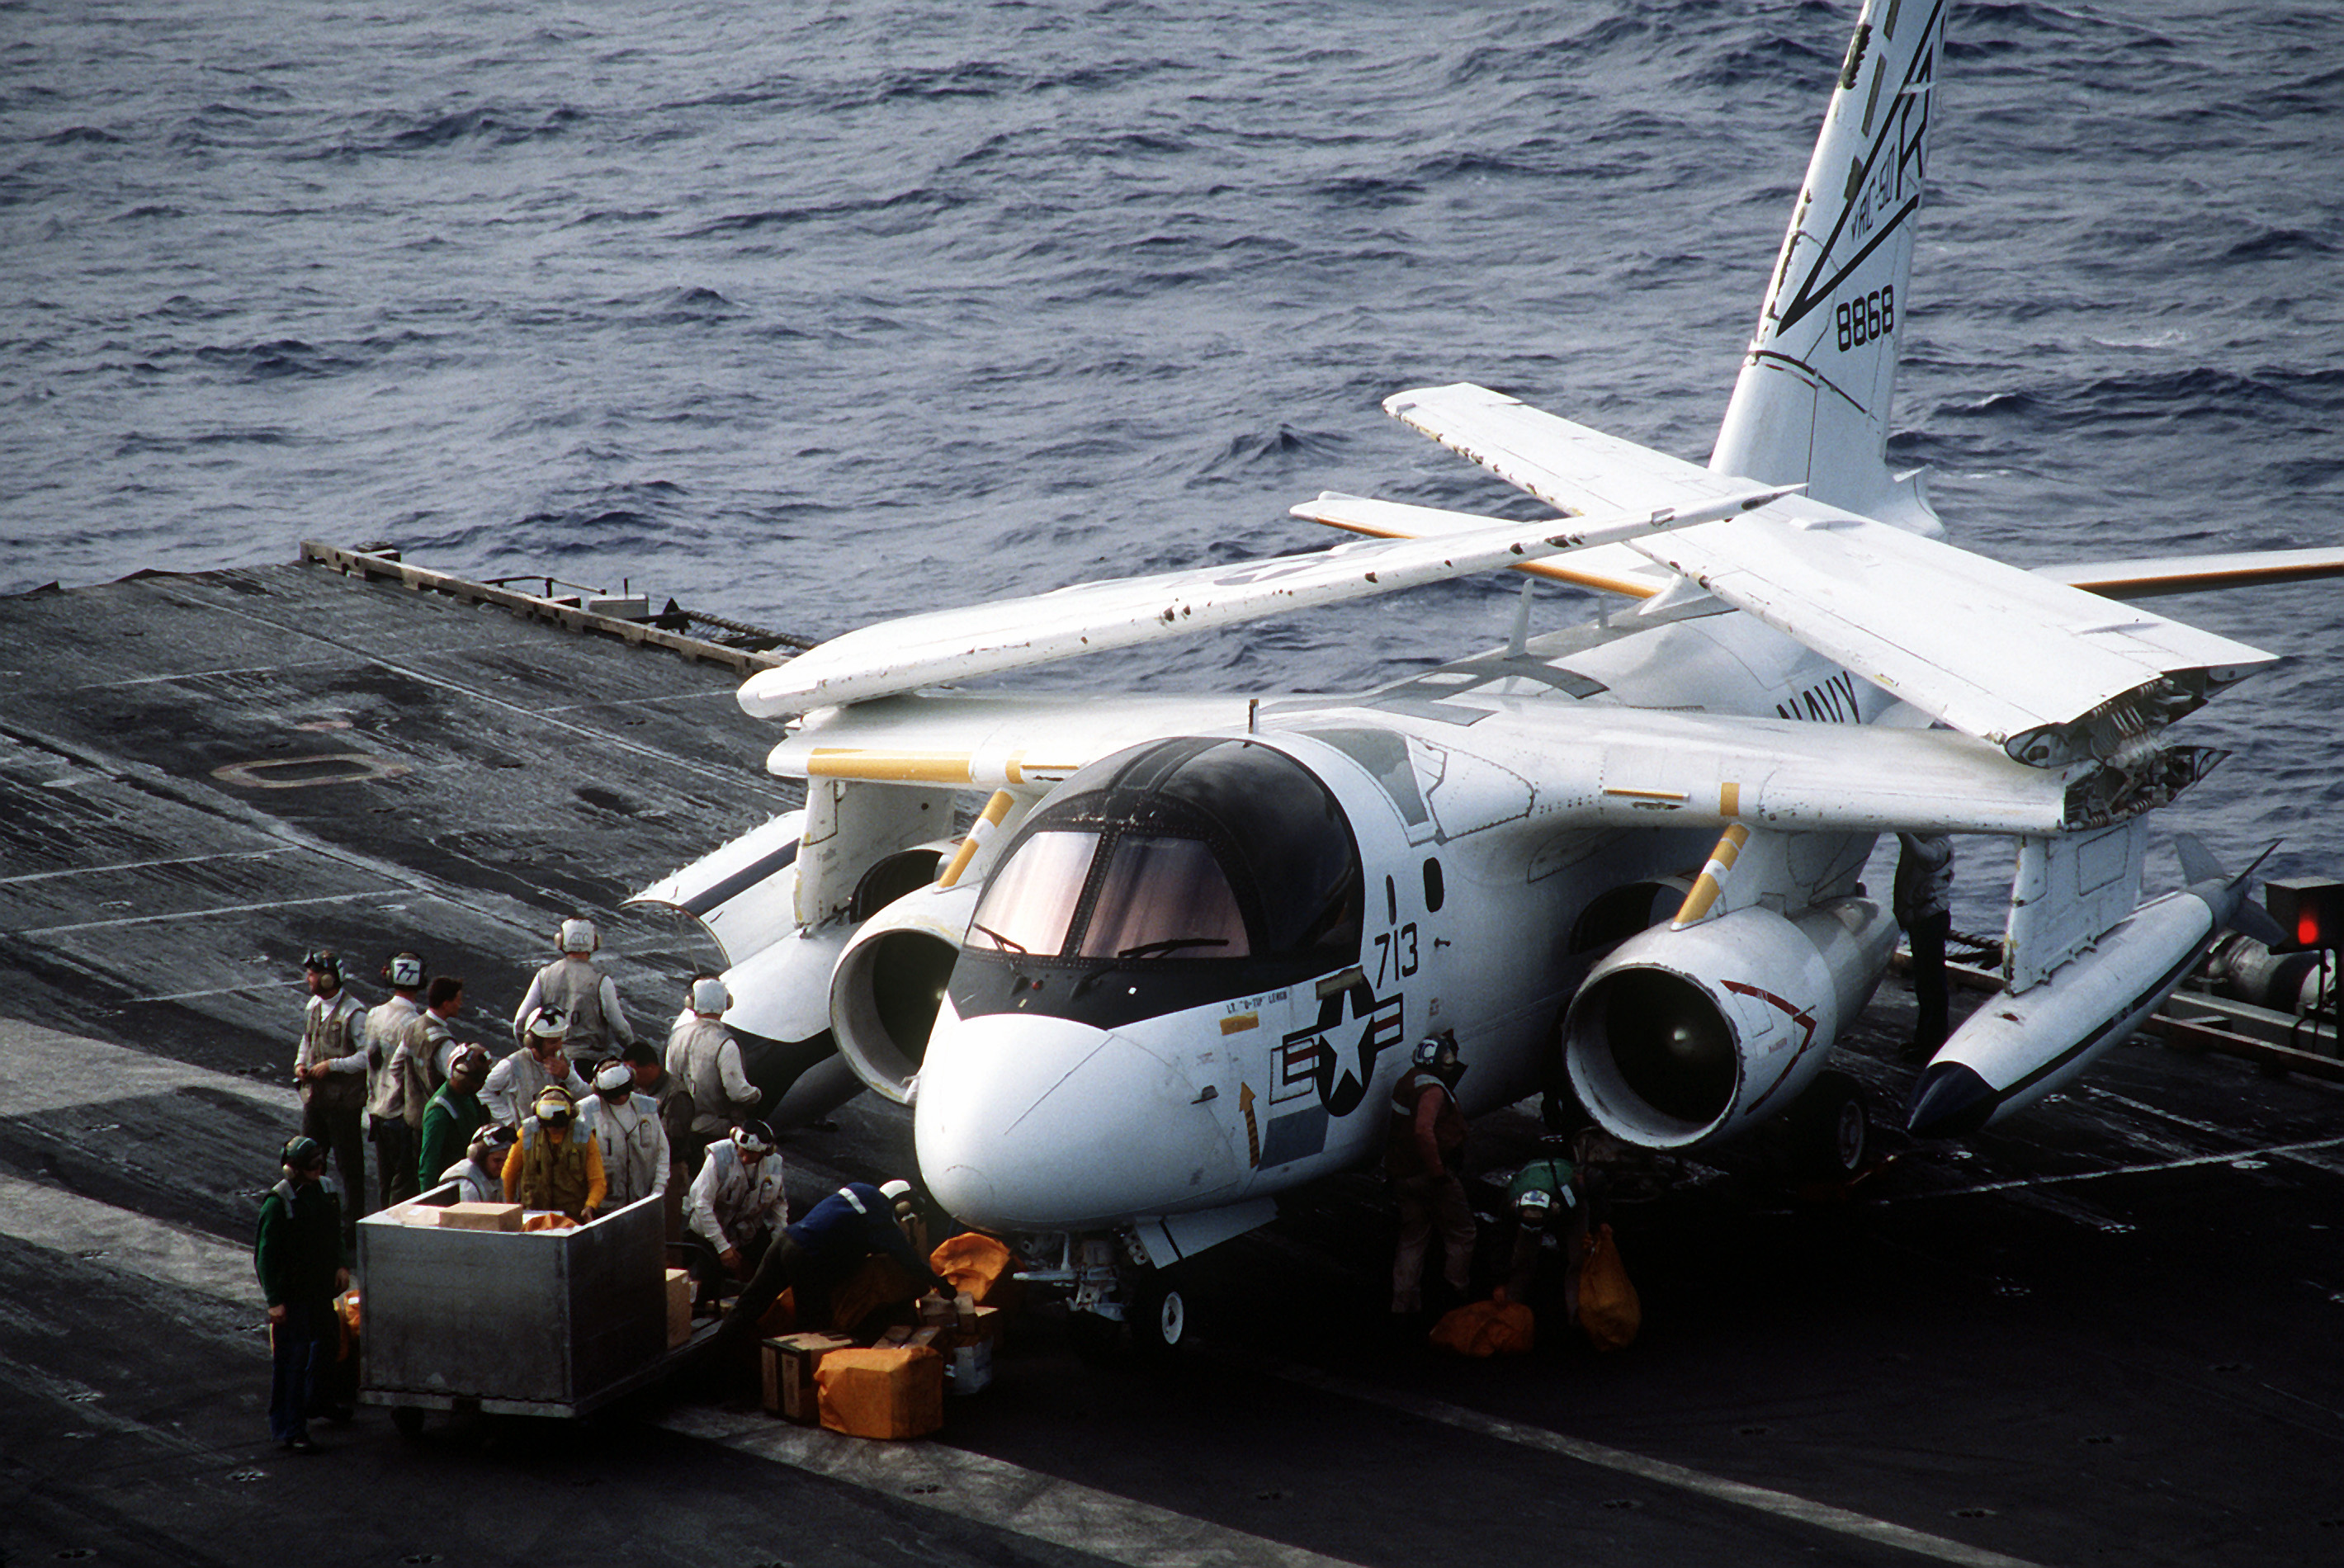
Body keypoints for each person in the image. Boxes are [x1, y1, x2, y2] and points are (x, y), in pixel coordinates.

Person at [714, 1178, 955, 1353]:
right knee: (813, 1328)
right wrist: (939, 1283)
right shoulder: (880, 1216)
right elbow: (908, 1259)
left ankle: (713, 1358)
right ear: (901, 1203)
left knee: (749, 1305)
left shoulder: (859, 1189)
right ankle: (801, 1388)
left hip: (785, 1241)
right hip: (807, 1256)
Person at [253, 1136, 349, 1454]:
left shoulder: (325, 1190)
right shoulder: (277, 1203)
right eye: (311, 1165)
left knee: (329, 1345)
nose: (317, 1170)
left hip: (321, 1289)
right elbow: (265, 1257)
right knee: (292, 1362)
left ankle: (319, 1402)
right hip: (293, 1296)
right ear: (293, 1168)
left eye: (319, 1164)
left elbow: (335, 1231)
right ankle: (290, 1429)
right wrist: (274, 1301)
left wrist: (341, 1264)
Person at [1387, 1032, 1475, 1317]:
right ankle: (1453, 1298)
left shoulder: (1407, 1081)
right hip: (1430, 1175)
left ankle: (1403, 1305)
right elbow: (1423, 1130)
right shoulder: (1433, 1091)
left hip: (1403, 1176)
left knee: (1413, 1238)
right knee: (1461, 1233)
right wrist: (1438, 1173)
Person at [293, 949, 369, 1250]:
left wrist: (332, 1066)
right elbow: (307, 1040)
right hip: (316, 1099)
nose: (308, 978)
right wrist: (300, 1063)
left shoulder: (355, 1014)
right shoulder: (313, 1006)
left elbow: (365, 1057)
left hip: (343, 1105)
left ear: (328, 977)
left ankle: (351, 1230)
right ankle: (313, 1220)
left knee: (350, 1169)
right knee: (308, 1161)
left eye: (312, 973)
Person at [512, 918, 638, 1071]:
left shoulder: (544, 976)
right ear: (595, 943)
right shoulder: (601, 980)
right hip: (589, 1064)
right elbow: (620, 1028)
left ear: (560, 940)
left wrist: (535, 1053)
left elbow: (520, 1021)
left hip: (551, 1063)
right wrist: (633, 1051)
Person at [685, 1120, 790, 1298]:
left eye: (753, 1153)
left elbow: (778, 1206)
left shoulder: (774, 1164)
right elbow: (702, 1204)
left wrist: (779, 1246)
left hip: (745, 1232)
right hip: (709, 1231)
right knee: (706, 1286)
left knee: (769, 1272)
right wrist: (723, 1247)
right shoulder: (718, 1157)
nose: (746, 1158)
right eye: (744, 1150)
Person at [666, 975, 761, 1163]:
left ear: (692, 1003)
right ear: (726, 1004)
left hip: (681, 1130)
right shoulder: (725, 1043)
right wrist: (756, 1095)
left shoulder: (676, 1036)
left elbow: (670, 1082)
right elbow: (737, 1093)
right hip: (715, 1133)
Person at [1503, 1151, 1605, 1325]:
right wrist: (1500, 1279)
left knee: (1578, 1258)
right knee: (1522, 1257)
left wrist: (1600, 1223)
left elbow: (1594, 1190)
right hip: (1545, 1191)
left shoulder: (1569, 1194)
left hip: (1570, 1202)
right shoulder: (1512, 1196)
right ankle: (1510, 1308)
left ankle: (1578, 1313)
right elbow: (1501, 1237)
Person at [363, 952, 428, 1207]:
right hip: (401, 1113)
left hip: (377, 1111)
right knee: (404, 1185)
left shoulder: (374, 1014)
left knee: (384, 1180)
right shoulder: (414, 1023)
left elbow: (369, 1057)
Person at [579, 1056, 670, 1212]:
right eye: (615, 1095)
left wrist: (658, 1189)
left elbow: (662, 1151)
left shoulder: (647, 1106)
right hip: (603, 1206)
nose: (622, 1098)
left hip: (642, 1200)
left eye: (625, 1092)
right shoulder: (587, 1111)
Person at [503, 1085, 607, 1221]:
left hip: (572, 1219)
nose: (553, 1128)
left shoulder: (584, 1135)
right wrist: (509, 1208)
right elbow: (508, 1174)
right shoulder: (526, 1133)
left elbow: (598, 1180)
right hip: (534, 1217)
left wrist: (590, 1206)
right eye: (548, 1125)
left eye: (559, 1125)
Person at [1896, 832, 1955, 1057]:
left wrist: (1902, 831)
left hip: (1931, 919)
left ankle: (1933, 1044)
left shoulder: (1940, 845)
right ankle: (1923, 1039)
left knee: (1932, 983)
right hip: (1921, 919)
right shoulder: (1928, 843)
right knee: (1924, 983)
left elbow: (1926, 857)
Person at [625, 1040, 693, 1238]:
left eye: (634, 1071)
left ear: (650, 1067)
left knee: (667, 1230)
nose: (631, 1077)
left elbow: (673, 1139)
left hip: (670, 1169)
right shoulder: (637, 1089)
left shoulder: (676, 1094)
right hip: (642, 1167)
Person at [482, 1006, 589, 1127]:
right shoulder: (513, 1064)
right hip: (528, 1138)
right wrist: (508, 1119)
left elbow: (587, 1096)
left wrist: (567, 1075)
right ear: (533, 1043)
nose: (559, 1046)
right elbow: (484, 1090)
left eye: (560, 1040)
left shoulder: (563, 1061)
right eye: (553, 1042)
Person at [414, 1043, 491, 1194]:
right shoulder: (439, 1111)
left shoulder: (469, 1097)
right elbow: (429, 1164)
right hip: (451, 1186)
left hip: (469, 1180)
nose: (482, 1084)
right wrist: (430, 1201)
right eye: (479, 1078)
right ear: (460, 1075)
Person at [440, 1120, 517, 1205]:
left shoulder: (495, 1178)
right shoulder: (468, 1187)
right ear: (481, 1158)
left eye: (505, 1160)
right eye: (497, 1160)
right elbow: (471, 1218)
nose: (502, 1166)